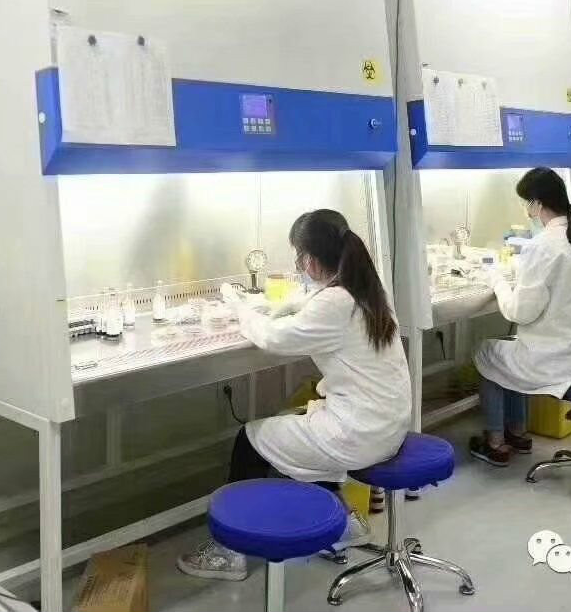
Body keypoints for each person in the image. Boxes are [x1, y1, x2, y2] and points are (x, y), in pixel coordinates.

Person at [177, 209, 412, 581]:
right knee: (298, 423)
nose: (299, 265)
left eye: (299, 257)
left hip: (360, 433)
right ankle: (345, 523)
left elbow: (274, 339)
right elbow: (310, 304)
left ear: (311, 260)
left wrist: (239, 308)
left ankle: (230, 552)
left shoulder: (334, 304)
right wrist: (276, 306)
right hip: (388, 427)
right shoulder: (366, 290)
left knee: (250, 439)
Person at [469, 168, 571, 467]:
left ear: (536, 203)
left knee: (485, 351)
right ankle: (518, 432)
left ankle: (496, 442)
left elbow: (519, 312)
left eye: (525, 202)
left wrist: (496, 279)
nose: (525, 208)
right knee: (509, 349)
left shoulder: (542, 245)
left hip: (556, 361)